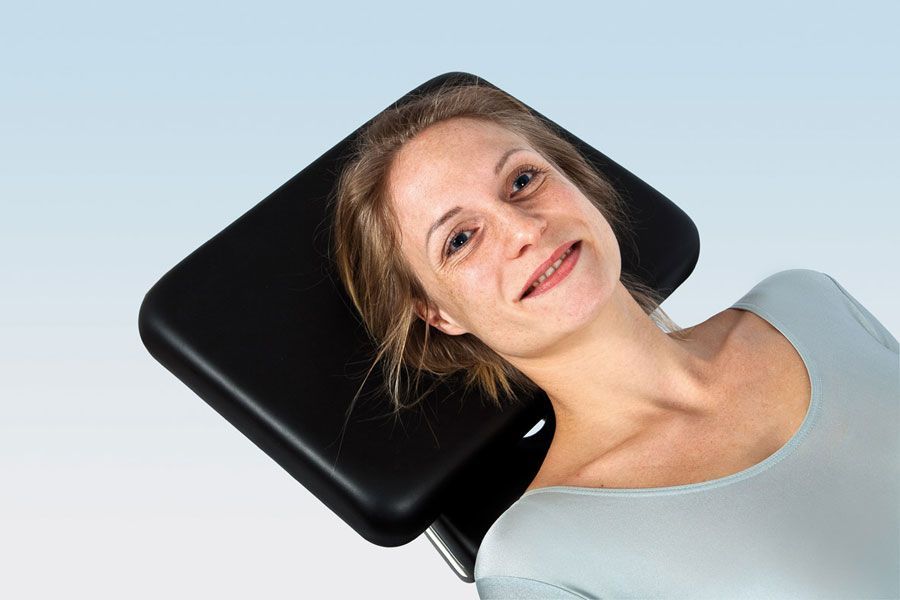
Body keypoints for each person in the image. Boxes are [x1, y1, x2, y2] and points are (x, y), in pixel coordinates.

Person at [330, 81, 899, 598]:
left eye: (523, 180)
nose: (526, 229)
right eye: (460, 239)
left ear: (579, 185)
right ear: (438, 314)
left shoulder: (809, 302)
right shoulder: (537, 563)